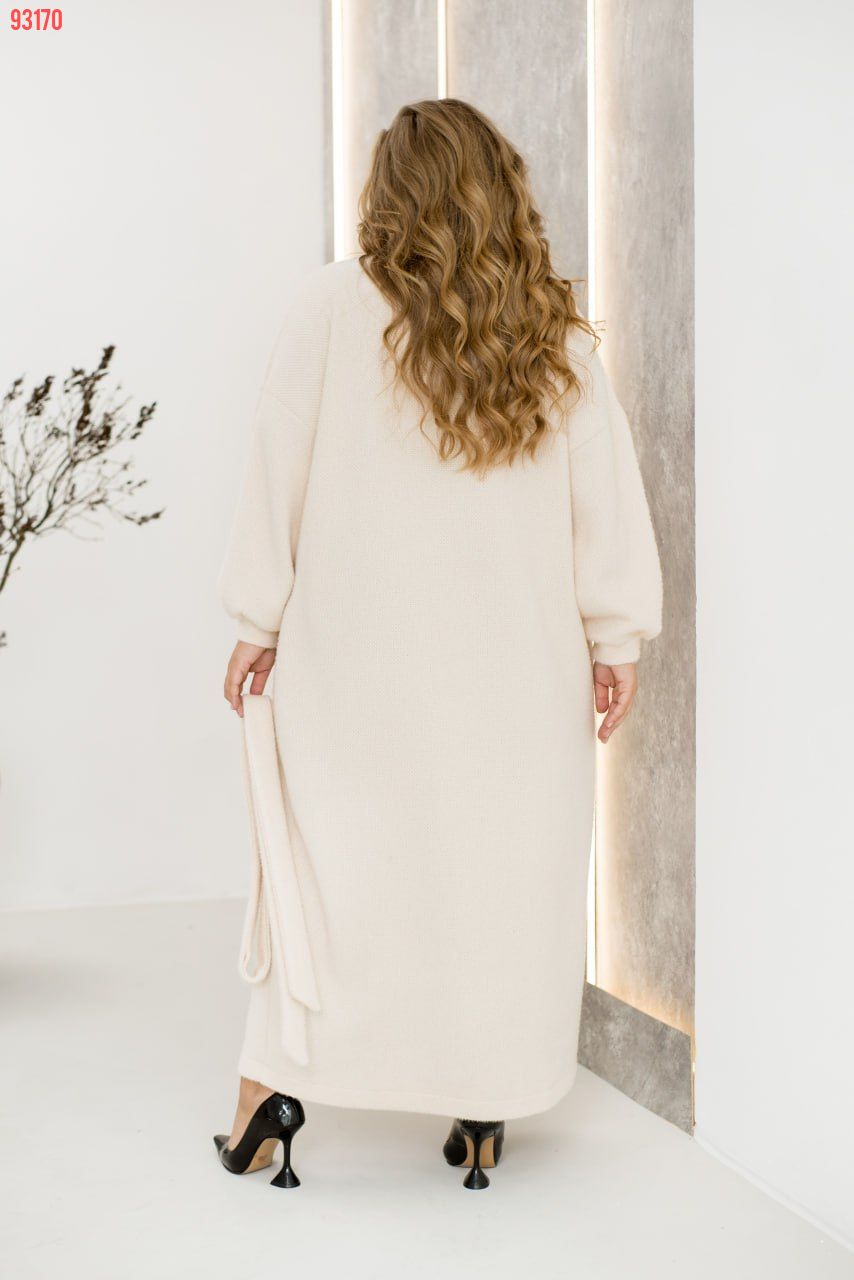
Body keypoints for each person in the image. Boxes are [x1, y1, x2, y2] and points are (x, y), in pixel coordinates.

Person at [214, 98, 662, 1191]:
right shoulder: (553, 338)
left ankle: (270, 1092)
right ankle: (482, 1101)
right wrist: (614, 640)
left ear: (389, 194)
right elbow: (604, 511)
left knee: (333, 878)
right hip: (516, 684)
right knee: (495, 885)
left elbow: (276, 473)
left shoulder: (330, 309)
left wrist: (256, 619)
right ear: (501, 190)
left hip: (356, 677)